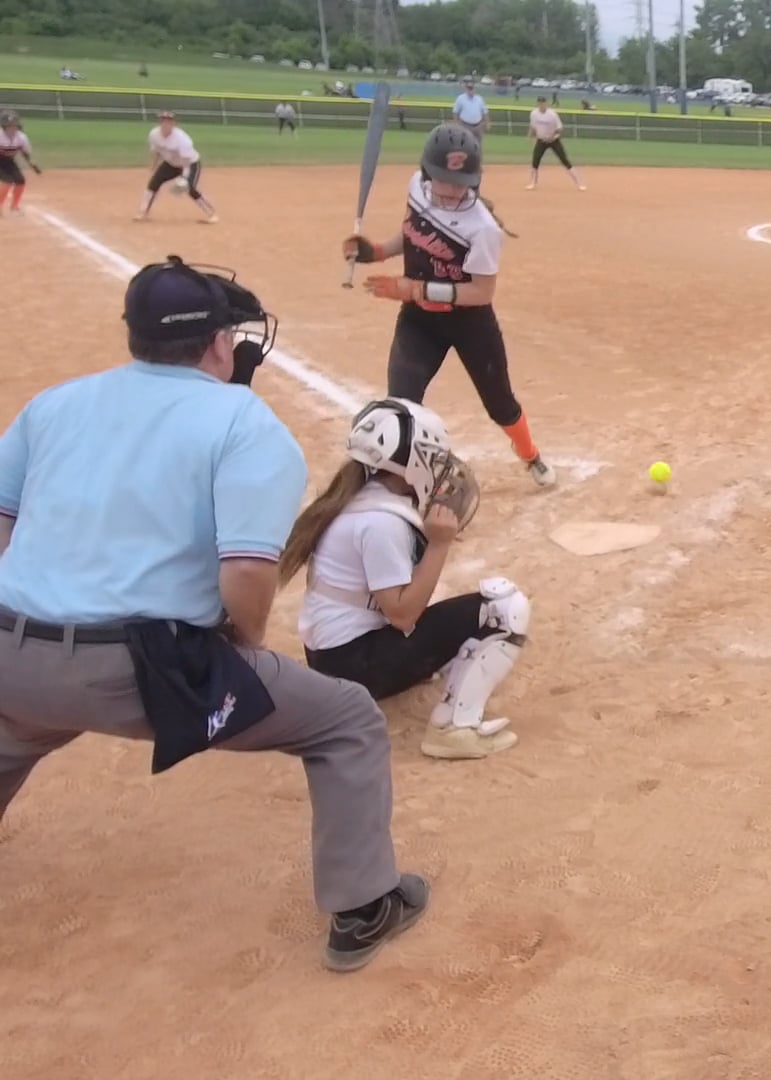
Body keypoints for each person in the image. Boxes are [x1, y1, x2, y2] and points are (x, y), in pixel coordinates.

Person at [0, 256, 428, 974]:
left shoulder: (53, 404)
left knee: (18, 726)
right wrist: (243, 642)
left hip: (9, 653)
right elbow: (248, 572)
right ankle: (364, 908)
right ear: (222, 343)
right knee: (345, 720)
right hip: (144, 668)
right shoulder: (245, 424)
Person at [281, 398, 528, 761]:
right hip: (356, 667)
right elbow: (402, 615)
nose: (439, 468)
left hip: (333, 659)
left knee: (437, 601)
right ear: (410, 462)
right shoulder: (382, 522)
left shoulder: (361, 497)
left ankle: (430, 675)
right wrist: (439, 544)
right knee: (505, 608)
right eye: (432, 457)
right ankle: (453, 730)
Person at [343, 124, 556, 488]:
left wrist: (415, 288)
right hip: (419, 321)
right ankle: (402, 481)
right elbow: (412, 235)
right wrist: (375, 252)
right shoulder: (416, 187)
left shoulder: (483, 228)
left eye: (462, 183)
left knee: (500, 404)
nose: (453, 190)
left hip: (469, 323)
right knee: (402, 402)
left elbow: (481, 292)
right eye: (444, 181)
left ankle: (530, 455)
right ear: (427, 173)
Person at [138, 111, 216, 224]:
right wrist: (153, 165)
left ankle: (212, 214)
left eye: (168, 122)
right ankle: (143, 212)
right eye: (163, 121)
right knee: (153, 183)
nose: (165, 124)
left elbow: (186, 161)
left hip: (191, 163)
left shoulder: (182, 139)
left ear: (173, 124)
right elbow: (157, 151)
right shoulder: (154, 135)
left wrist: (184, 177)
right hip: (170, 164)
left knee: (190, 188)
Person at [525, 97, 584, 191]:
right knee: (535, 161)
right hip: (541, 140)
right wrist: (530, 137)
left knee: (565, 160)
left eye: (543, 103)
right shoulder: (534, 114)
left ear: (546, 104)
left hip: (553, 140)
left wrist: (553, 136)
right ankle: (532, 183)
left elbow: (560, 128)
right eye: (540, 103)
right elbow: (532, 126)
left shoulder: (552, 114)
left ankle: (579, 183)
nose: (541, 105)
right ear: (537, 104)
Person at [0, 111, 44, 217]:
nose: (12, 128)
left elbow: (25, 153)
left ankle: (14, 207)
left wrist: (32, 164)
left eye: (14, 126)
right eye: (9, 126)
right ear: (4, 126)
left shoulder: (21, 137)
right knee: (7, 181)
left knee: (20, 180)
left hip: (8, 161)